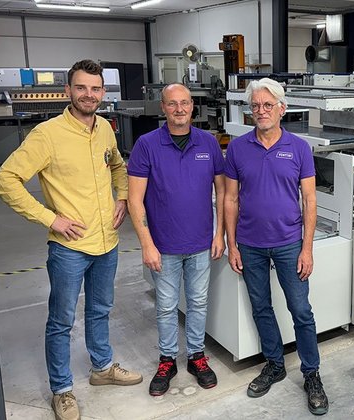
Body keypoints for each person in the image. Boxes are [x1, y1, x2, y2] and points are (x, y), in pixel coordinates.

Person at [0, 59, 142, 420]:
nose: (89, 95)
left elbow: (118, 165)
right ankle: (62, 390)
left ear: (103, 93)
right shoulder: (47, 134)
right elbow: (6, 178)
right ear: (68, 91)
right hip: (69, 248)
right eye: (81, 88)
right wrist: (51, 218)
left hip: (106, 241)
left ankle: (102, 368)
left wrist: (122, 197)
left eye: (95, 89)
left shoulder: (106, 129)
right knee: (61, 320)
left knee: (100, 310)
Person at [224, 78, 329, 416]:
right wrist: (232, 244)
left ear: (282, 109)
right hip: (250, 244)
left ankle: (311, 374)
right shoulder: (238, 148)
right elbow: (229, 198)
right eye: (255, 106)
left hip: (288, 244)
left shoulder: (298, 148)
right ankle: (274, 363)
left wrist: (307, 248)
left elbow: (310, 201)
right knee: (262, 307)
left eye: (268, 105)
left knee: (301, 311)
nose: (261, 111)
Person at [127, 83, 225, 396]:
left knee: (197, 303)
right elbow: (134, 198)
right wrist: (146, 243)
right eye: (172, 104)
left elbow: (223, 191)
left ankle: (196, 355)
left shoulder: (208, 143)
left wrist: (219, 233)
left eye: (184, 103)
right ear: (163, 107)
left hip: (200, 244)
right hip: (163, 245)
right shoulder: (146, 144)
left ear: (192, 107)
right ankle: (167, 359)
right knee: (167, 306)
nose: (179, 109)